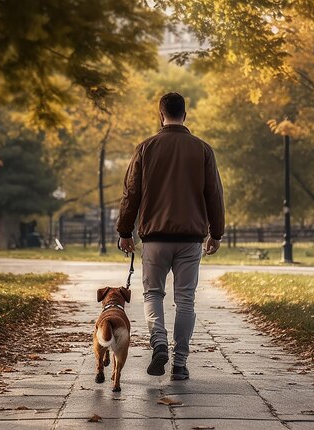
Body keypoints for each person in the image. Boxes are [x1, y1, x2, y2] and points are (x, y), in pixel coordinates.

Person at [117, 92, 225, 381]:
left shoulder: (145, 148)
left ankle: (159, 342)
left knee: (153, 294)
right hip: (190, 238)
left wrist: (124, 232)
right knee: (186, 299)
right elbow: (213, 194)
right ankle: (180, 364)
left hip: (155, 238)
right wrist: (216, 233)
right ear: (185, 115)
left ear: (160, 115)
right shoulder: (202, 150)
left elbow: (131, 193)